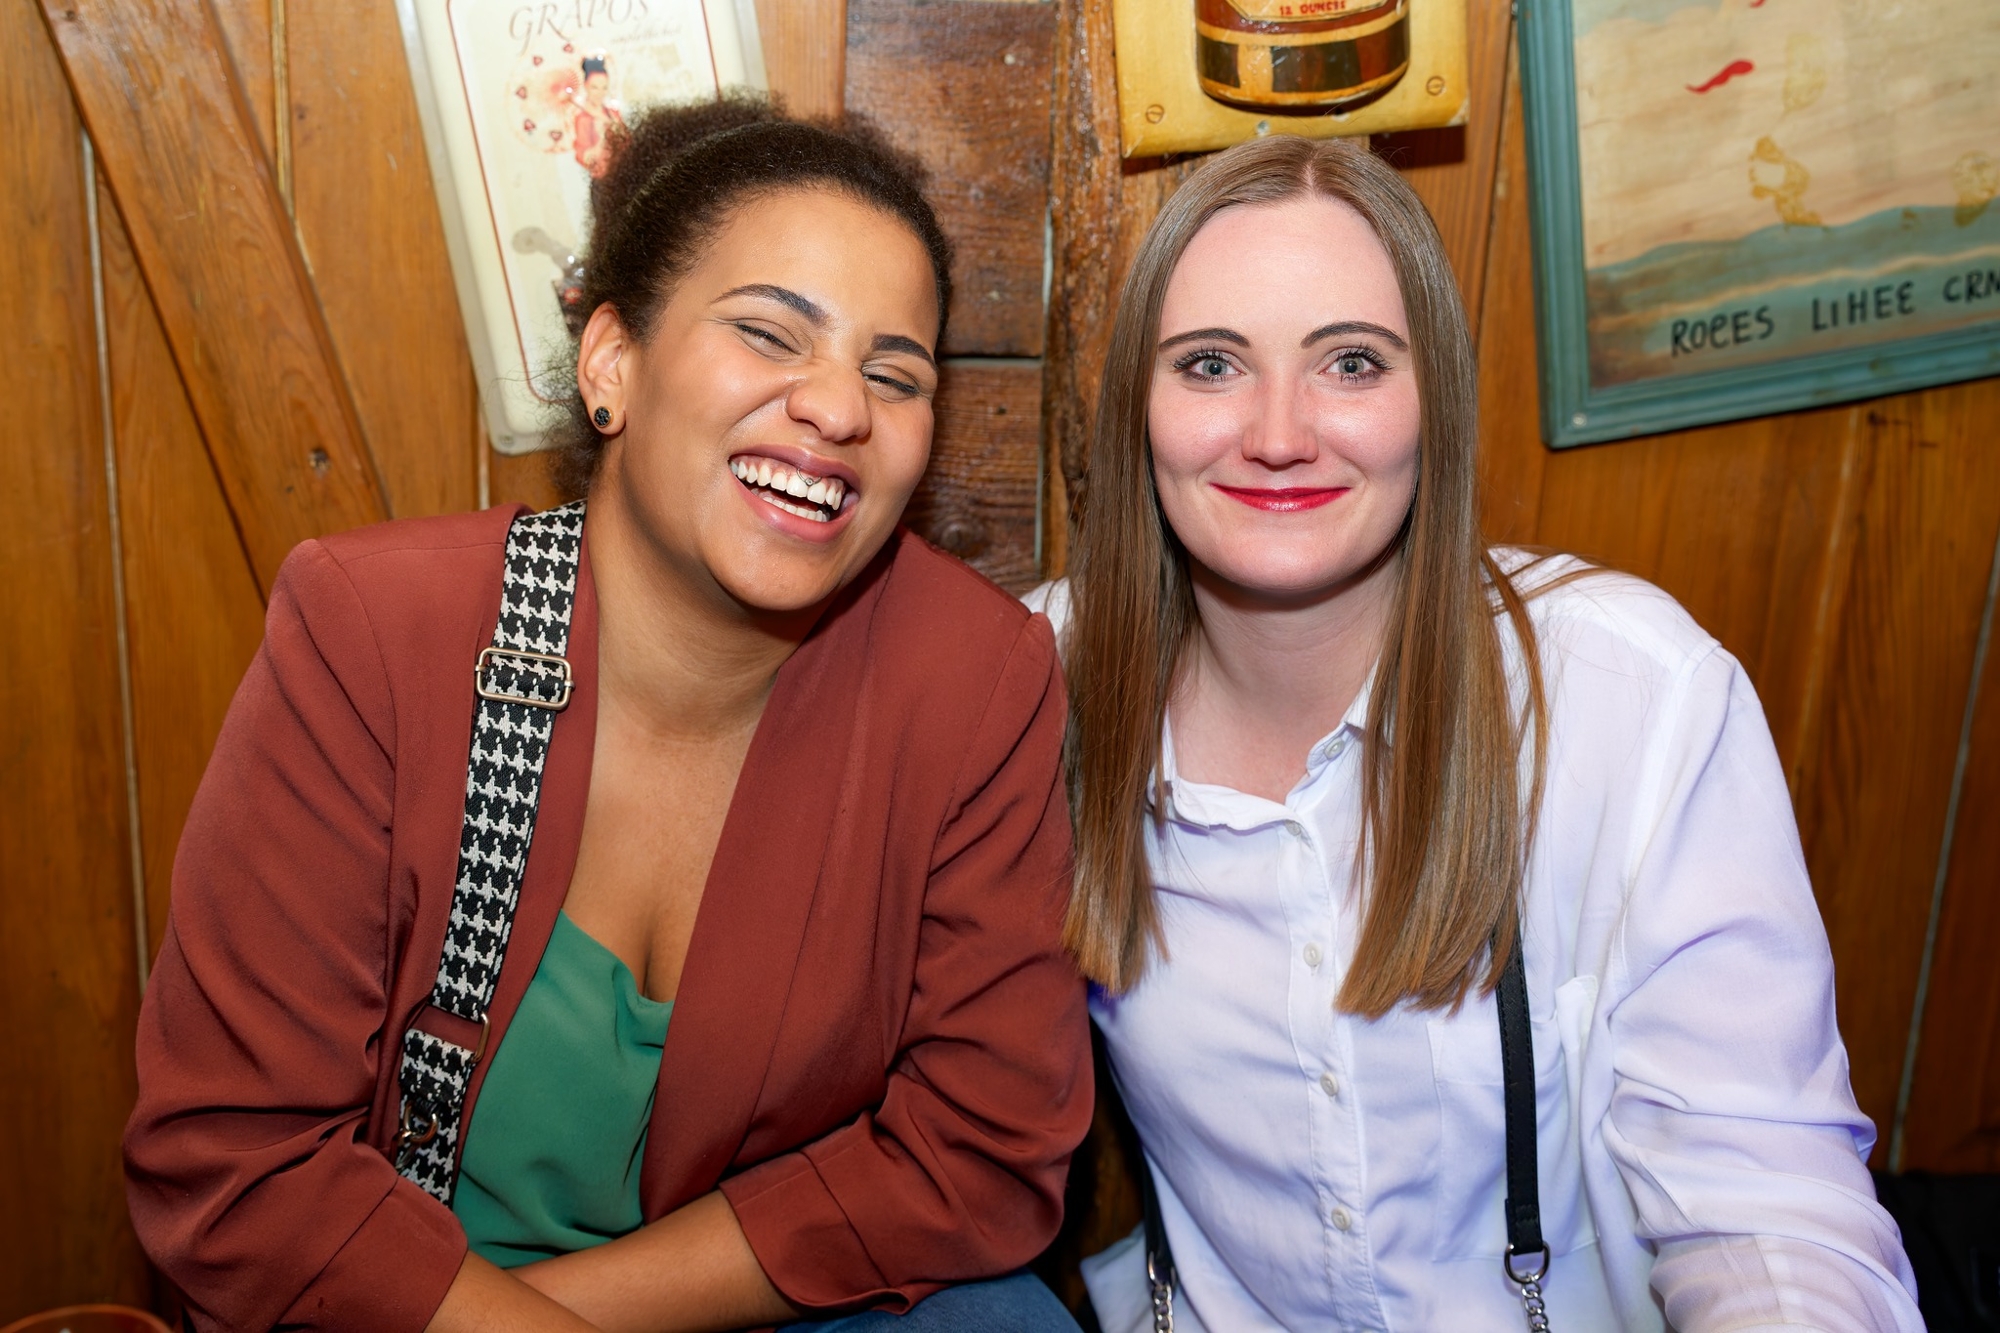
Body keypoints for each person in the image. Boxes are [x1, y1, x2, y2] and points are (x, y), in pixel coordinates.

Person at [126, 98, 1091, 1333]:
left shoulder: (972, 678)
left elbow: (983, 1146)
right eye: (768, 332)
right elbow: (236, 1166)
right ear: (611, 363)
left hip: (735, 1303)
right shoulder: (376, 632)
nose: (838, 407)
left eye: (892, 374)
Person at [1030, 134, 1923, 1332]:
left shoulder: (1629, 700)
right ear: (1136, 408)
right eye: (1210, 364)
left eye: (1350, 362)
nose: (1278, 432)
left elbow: (1761, 1200)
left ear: (1433, 401)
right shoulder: (1031, 689)